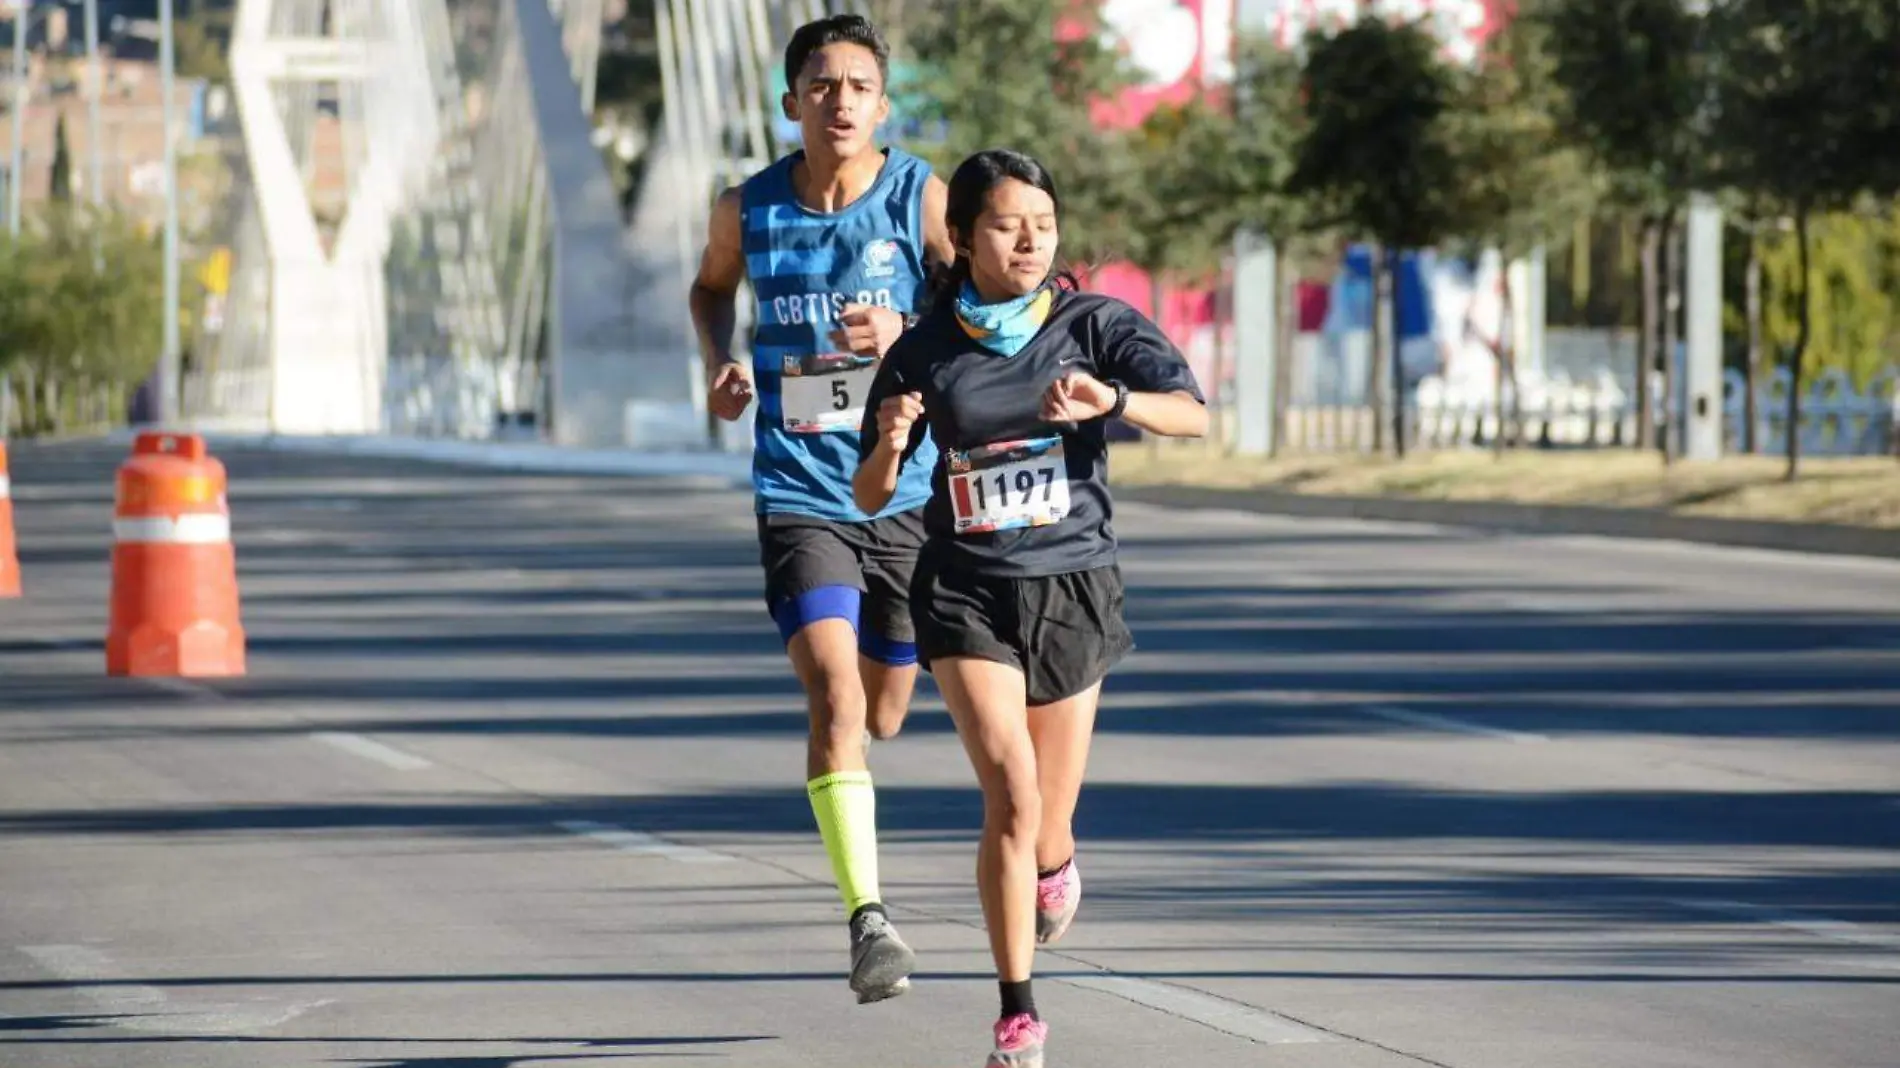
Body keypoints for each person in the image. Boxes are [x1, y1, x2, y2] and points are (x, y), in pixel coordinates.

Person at [852, 149, 1208, 1067]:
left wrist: (1113, 399)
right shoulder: (925, 347)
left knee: (1046, 820)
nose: (1029, 240)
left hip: (1071, 583)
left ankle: (1056, 864)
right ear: (964, 238)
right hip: (966, 587)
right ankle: (1017, 1011)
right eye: (1009, 225)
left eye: (1043, 225)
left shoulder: (1094, 324)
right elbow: (867, 493)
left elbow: (1193, 413)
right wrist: (892, 443)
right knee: (1008, 795)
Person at [687, 13, 953, 1006]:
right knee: (836, 700)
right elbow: (710, 291)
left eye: (858, 86)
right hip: (801, 494)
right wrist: (718, 360)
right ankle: (868, 922)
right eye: (821, 84)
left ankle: (866, 884)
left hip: (907, 492)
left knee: (884, 713)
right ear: (790, 100)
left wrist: (907, 326)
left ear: (883, 105)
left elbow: (980, 307)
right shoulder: (746, 208)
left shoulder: (917, 198)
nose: (839, 101)